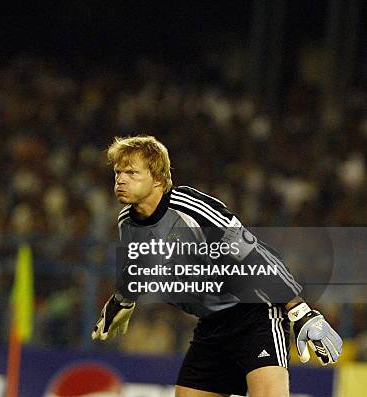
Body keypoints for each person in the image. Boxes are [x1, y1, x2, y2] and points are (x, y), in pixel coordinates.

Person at [92, 135, 342, 397]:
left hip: (254, 313)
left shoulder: (191, 209)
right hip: (211, 323)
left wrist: (298, 308)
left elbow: (252, 252)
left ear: (158, 179)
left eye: (132, 172)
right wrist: (123, 300)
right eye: (118, 172)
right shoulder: (126, 221)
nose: (120, 179)